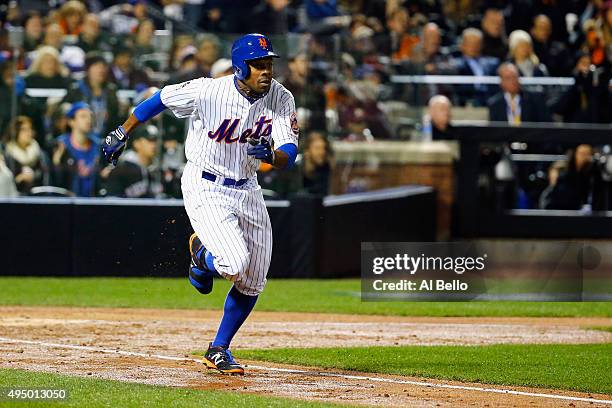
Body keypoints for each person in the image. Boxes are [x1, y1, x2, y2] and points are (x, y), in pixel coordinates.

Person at [102, 33, 298, 375]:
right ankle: (200, 253)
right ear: (239, 67)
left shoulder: (281, 98)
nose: (266, 71)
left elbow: (289, 152)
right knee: (232, 262)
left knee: (253, 279)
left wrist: (274, 157)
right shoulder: (209, 90)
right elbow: (160, 99)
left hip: (248, 188)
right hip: (206, 183)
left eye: (269, 64)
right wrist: (123, 130)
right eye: (258, 65)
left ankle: (219, 348)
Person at [53, 102, 102, 197]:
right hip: (67, 204)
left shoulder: (98, 146)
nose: (88, 120)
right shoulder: (61, 146)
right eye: (83, 116)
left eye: (90, 116)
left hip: (94, 203)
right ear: (71, 121)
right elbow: (55, 180)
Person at [104, 129, 162, 198]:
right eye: (150, 140)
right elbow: (111, 201)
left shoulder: (159, 169)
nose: (154, 145)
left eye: (156, 141)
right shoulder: (122, 169)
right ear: (136, 143)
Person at [2, 116, 47, 194]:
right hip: (14, 196)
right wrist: (18, 179)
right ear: (16, 132)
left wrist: (33, 176)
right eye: (24, 130)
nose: (28, 133)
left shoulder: (39, 153)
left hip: (37, 195)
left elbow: (45, 176)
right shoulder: (7, 154)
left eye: (30, 129)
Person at [300, 130, 331, 196]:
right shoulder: (298, 169)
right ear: (307, 151)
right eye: (317, 148)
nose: (322, 152)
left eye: (324, 148)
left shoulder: (326, 167)